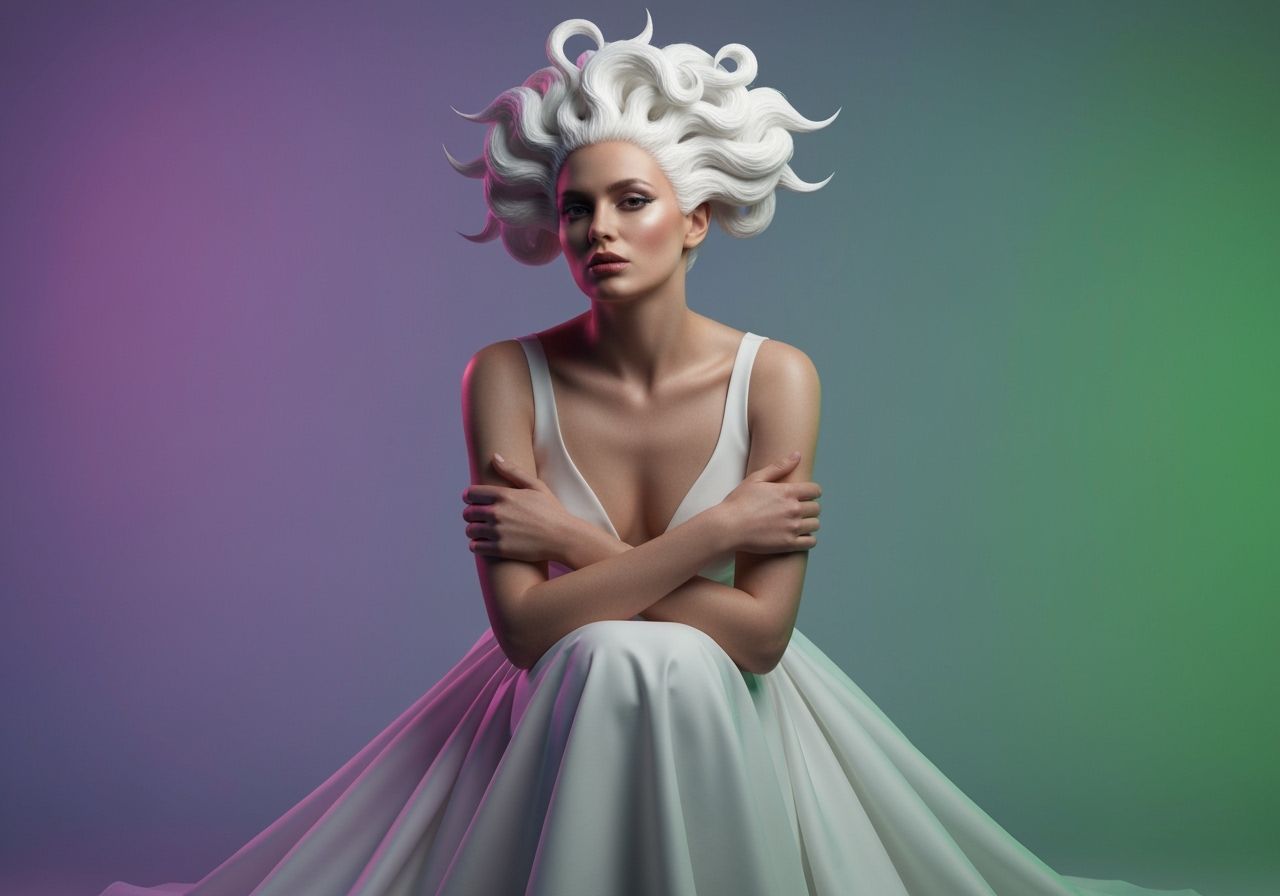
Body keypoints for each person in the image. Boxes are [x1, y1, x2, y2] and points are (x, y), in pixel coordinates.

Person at [99, 12, 1203, 896]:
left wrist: (577, 544)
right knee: (606, 657)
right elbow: (530, 633)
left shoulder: (776, 377)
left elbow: (761, 641)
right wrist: (717, 536)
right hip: (559, 708)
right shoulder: (502, 374)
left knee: (642, 655)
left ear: (697, 219)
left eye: (631, 202)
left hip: (733, 717)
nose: (597, 233)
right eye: (578, 209)